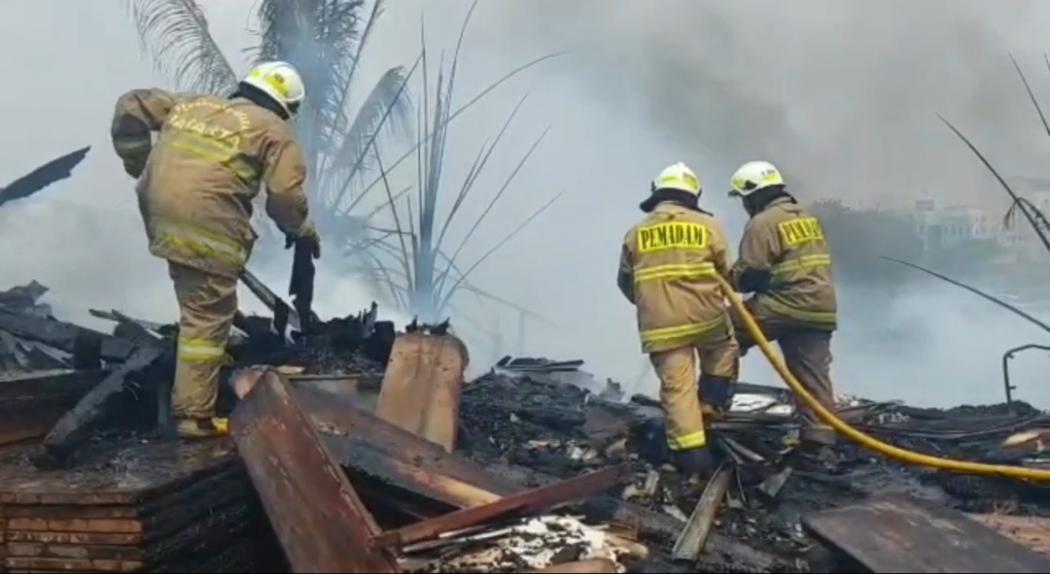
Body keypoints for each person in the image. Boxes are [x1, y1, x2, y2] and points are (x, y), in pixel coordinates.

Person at [110, 61, 321, 439]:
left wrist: (137, 162)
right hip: (209, 222)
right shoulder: (274, 130)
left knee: (198, 294)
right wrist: (302, 230)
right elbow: (285, 197)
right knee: (208, 315)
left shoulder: (192, 104)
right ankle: (194, 416)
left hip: (159, 212)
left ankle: (202, 364)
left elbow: (131, 105)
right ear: (286, 107)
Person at [618, 162, 738, 474]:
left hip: (662, 327)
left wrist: (652, 304)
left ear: (658, 193)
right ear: (693, 195)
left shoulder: (636, 233)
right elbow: (729, 273)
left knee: (678, 389)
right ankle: (711, 403)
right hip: (707, 318)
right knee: (724, 348)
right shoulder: (709, 226)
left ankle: (692, 459)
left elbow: (625, 282)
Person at [727, 161, 838, 449]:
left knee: (721, 333)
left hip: (783, 305)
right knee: (812, 377)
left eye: (743, 199)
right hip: (820, 308)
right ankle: (819, 441)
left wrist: (728, 277)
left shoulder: (762, 223)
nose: (744, 206)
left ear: (753, 195)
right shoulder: (806, 217)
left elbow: (750, 275)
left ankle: (710, 409)